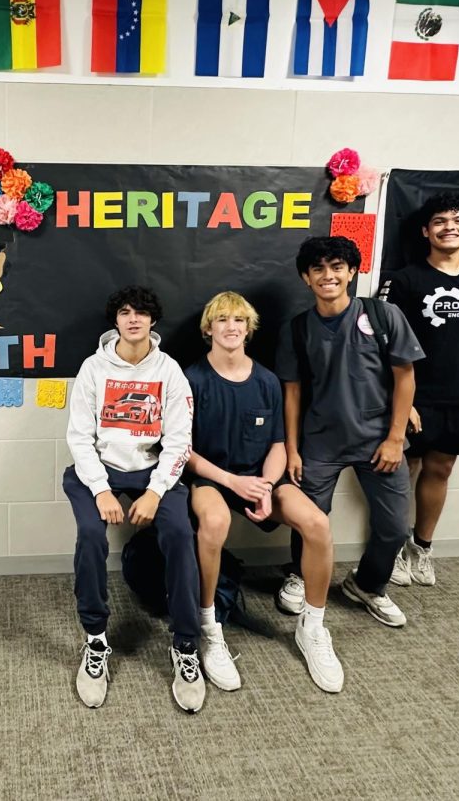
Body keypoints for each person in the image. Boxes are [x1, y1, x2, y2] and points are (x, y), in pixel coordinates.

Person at [184, 291, 344, 693]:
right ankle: (209, 627)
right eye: (222, 320)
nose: (231, 327)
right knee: (215, 521)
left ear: (249, 329)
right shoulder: (192, 379)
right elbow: (184, 453)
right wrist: (233, 482)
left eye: (239, 320)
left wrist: (268, 487)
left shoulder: (267, 380)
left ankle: (312, 627)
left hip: (262, 478)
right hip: (214, 478)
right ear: (209, 329)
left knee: (317, 523)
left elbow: (277, 445)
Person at [64, 285, 204, 712]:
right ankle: (95, 640)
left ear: (153, 320)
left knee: (180, 535)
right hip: (100, 470)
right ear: (116, 320)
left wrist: (156, 491)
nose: (133, 318)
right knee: (91, 535)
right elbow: (79, 437)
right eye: (125, 312)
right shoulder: (93, 368)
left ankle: (185, 644)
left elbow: (181, 439)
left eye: (142, 312)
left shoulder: (169, 370)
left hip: (153, 471)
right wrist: (101, 489)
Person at [276, 236, 425, 628]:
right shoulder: (297, 329)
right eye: (319, 269)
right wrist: (292, 449)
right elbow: (290, 393)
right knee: (309, 518)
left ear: (352, 272)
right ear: (306, 278)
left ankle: (369, 585)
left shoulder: (382, 315)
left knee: (393, 526)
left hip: (378, 440)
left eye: (337, 267)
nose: (329, 276)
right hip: (320, 440)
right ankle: (300, 573)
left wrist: (395, 438)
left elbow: (405, 376)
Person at [379, 192, 459, 587]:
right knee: (403, 471)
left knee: (441, 468)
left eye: (457, 220)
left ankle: (422, 547)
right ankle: (394, 549)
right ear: (425, 231)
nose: (449, 227)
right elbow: (386, 346)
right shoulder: (405, 281)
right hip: (414, 394)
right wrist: (404, 402)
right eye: (439, 221)